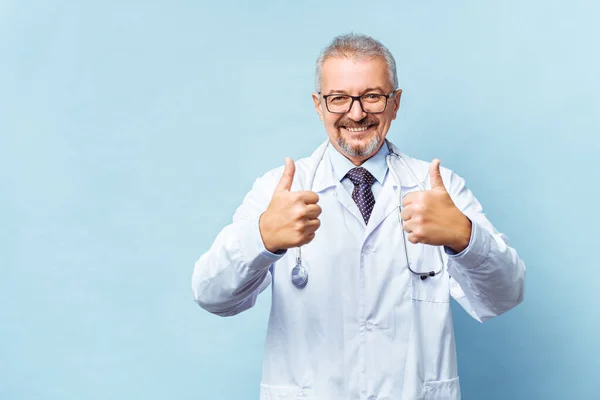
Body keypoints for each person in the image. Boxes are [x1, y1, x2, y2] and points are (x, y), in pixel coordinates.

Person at [191, 33, 526, 400]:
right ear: (319, 106)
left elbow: (505, 295)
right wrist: (261, 239)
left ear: (395, 103)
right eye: (339, 99)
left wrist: (464, 238)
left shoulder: (439, 188)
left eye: (372, 96)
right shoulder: (278, 190)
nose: (356, 113)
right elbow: (211, 296)